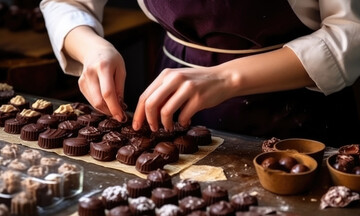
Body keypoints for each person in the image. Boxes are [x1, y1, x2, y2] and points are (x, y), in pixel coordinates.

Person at [40, 0, 360, 147]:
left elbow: (352, 34)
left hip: (297, 107)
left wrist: (226, 77)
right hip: (170, 92)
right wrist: (91, 47)